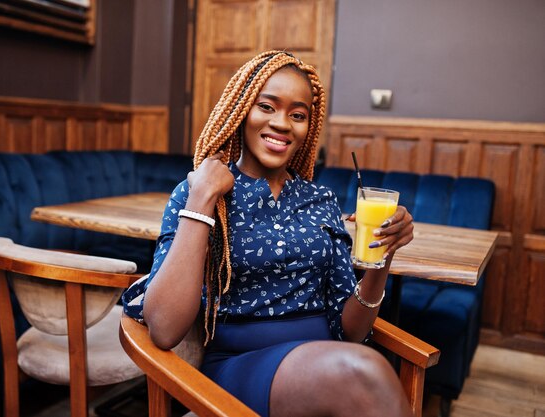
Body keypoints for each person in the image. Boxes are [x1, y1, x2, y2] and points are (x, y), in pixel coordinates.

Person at [123, 50, 415, 417]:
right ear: (241, 110)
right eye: (267, 107)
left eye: (297, 115)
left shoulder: (321, 199)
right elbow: (164, 330)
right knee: (366, 371)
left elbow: (352, 333)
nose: (282, 123)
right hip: (243, 366)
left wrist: (382, 256)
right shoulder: (200, 191)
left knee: (360, 367)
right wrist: (202, 199)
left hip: (330, 361)